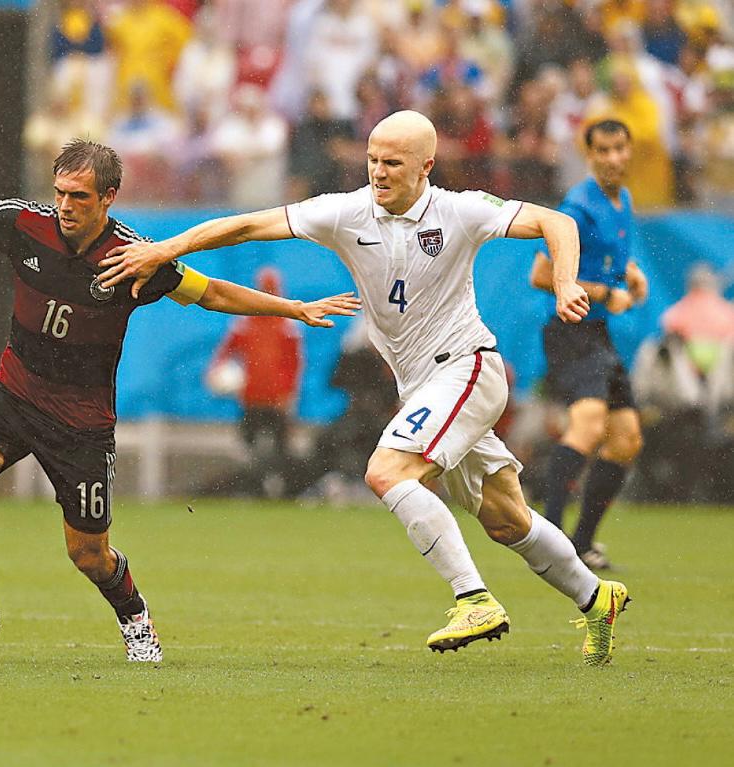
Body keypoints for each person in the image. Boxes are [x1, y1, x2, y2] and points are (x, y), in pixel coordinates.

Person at [97, 110, 630, 667]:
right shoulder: (346, 212)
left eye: (392, 162)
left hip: (467, 368)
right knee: (506, 518)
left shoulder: (460, 210)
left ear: (426, 166)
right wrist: (164, 250)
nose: (378, 171)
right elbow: (245, 226)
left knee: (386, 471)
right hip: (424, 385)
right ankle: (597, 598)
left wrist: (566, 281)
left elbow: (557, 223)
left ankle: (473, 598)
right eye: (373, 159)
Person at [0, 138, 358, 662]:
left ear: (109, 197)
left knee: (88, 554)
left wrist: (292, 308)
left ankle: (135, 617)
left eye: (79, 197)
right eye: (61, 192)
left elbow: (213, 293)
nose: (65, 205)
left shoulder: (135, 258)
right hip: (14, 392)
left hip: (81, 422)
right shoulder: (26, 223)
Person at [530, 119, 648, 572]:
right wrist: (603, 293)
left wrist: (630, 271)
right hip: (569, 331)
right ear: (589, 154)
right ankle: (551, 541)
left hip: (595, 335)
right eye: (604, 151)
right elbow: (541, 275)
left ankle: (579, 544)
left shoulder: (623, 200)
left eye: (621, 148)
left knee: (626, 439)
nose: (614, 158)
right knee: (589, 424)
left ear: (629, 150)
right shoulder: (577, 206)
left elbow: (607, 258)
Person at [208, 266, 302, 497]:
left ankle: (280, 489)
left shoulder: (285, 324)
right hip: (254, 397)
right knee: (251, 444)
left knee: (278, 447)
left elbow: (293, 364)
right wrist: (218, 370)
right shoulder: (252, 322)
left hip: (272, 398)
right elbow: (226, 351)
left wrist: (288, 393)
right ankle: (256, 487)